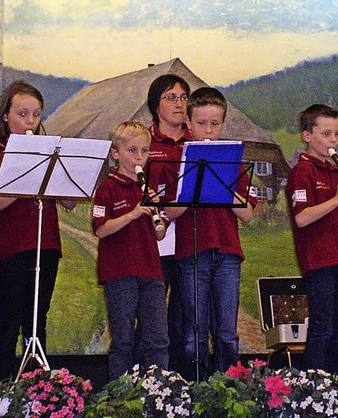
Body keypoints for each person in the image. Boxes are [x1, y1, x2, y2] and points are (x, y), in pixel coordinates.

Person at [0, 80, 76, 381]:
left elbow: (70, 202)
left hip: (46, 244)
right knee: (10, 318)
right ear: (5, 116)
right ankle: (2, 387)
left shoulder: (49, 153)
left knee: (37, 321)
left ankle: (38, 388)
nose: (30, 122)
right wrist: (22, 177)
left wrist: (60, 172)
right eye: (22, 114)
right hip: (10, 248)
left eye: (36, 114)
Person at [163, 87, 257, 380]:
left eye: (214, 124)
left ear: (223, 125)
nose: (208, 130)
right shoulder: (176, 161)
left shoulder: (233, 160)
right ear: (188, 124)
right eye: (201, 123)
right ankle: (196, 392)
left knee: (227, 333)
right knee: (194, 333)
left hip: (228, 253)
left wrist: (224, 189)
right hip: (192, 252)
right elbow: (168, 214)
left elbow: (247, 215)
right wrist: (189, 190)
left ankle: (229, 392)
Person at [286, 104, 338, 375]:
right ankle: (314, 389)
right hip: (319, 257)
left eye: (336, 134)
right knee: (321, 327)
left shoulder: (335, 172)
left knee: (336, 329)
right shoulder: (302, 171)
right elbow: (302, 218)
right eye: (326, 134)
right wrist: (337, 198)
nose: (333, 141)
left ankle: (336, 390)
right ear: (307, 135)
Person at [92, 121, 169, 380]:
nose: (139, 158)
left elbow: (160, 233)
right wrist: (134, 212)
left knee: (158, 340)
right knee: (123, 341)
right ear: (115, 153)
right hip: (120, 273)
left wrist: (156, 212)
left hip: (151, 271)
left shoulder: (146, 188)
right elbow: (101, 229)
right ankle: (120, 397)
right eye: (132, 150)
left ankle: (160, 393)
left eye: (145, 151)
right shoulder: (107, 188)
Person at [145, 74, 192, 371]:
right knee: (151, 319)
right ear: (155, 105)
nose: (179, 103)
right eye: (171, 97)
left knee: (182, 319)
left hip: (189, 240)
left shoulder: (196, 141)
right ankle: (144, 381)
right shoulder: (144, 142)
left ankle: (178, 384)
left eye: (184, 97)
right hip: (154, 240)